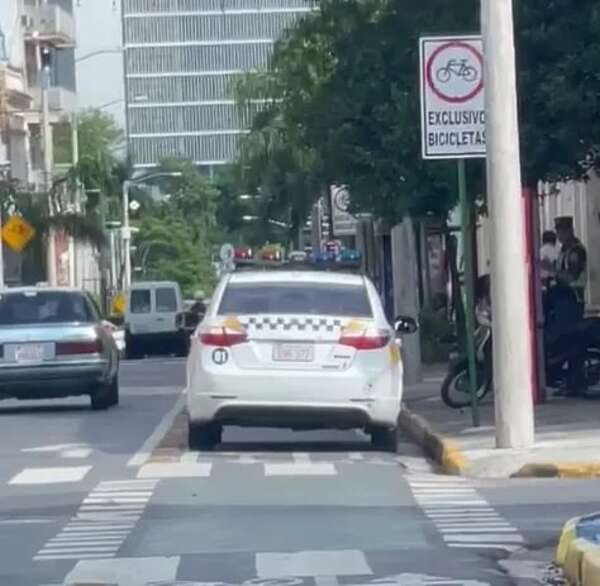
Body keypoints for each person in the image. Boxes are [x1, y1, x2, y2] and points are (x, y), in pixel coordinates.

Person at [555, 216, 587, 318]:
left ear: (570, 231)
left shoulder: (576, 250)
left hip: (574, 299)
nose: (559, 235)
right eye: (558, 231)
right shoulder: (564, 249)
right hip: (563, 298)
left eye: (563, 231)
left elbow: (572, 277)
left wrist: (552, 270)